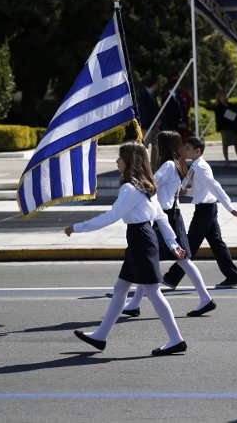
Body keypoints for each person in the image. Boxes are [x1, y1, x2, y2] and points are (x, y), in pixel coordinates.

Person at [65, 142, 188, 356]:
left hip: (140, 239)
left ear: (129, 160)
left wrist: (77, 227)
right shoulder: (146, 185)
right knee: (121, 288)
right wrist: (172, 243)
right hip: (141, 239)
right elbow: (161, 217)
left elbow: (111, 216)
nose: (116, 161)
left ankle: (176, 339)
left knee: (153, 291)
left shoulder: (130, 188)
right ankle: (100, 336)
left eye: (120, 157)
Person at [122, 131, 216, 318]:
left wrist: (136, 166)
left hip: (165, 217)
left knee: (163, 259)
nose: (156, 146)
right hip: (170, 215)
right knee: (159, 259)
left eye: (159, 143)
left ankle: (205, 299)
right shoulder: (176, 164)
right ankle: (134, 304)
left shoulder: (167, 165)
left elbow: (151, 184)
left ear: (165, 145)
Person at [162, 136, 237, 290]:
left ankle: (172, 277)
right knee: (217, 244)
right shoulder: (197, 166)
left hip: (205, 210)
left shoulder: (201, 167)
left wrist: (230, 207)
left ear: (197, 151)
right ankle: (233, 276)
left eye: (187, 149)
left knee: (190, 243)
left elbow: (214, 186)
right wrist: (186, 193)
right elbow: (202, 191)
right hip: (207, 208)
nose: (184, 151)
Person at [214, 91, 237, 168]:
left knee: (236, 144)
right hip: (224, 128)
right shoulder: (218, 107)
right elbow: (219, 118)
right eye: (221, 97)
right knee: (225, 144)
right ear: (218, 98)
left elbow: (235, 115)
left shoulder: (230, 105)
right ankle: (227, 161)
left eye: (224, 96)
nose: (223, 98)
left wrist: (229, 114)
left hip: (233, 127)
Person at [137, 79, 162, 169]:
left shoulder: (153, 95)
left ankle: (154, 167)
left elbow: (156, 110)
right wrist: (153, 121)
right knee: (144, 147)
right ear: (154, 84)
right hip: (146, 126)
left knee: (156, 147)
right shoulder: (143, 96)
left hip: (155, 126)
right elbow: (143, 112)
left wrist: (158, 120)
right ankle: (142, 167)